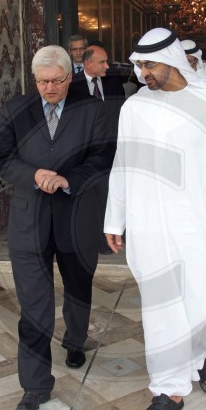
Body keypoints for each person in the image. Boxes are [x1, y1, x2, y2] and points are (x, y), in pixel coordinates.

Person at [104, 28, 206, 410]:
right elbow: (123, 164)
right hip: (150, 225)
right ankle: (168, 388)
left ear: (171, 60)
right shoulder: (134, 108)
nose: (142, 73)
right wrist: (114, 218)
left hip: (199, 224)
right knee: (162, 310)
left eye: (149, 64)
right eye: (138, 65)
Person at [0, 45, 114, 410]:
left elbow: (103, 157)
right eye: (43, 81)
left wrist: (66, 179)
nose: (49, 88)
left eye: (57, 81)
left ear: (69, 76)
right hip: (29, 224)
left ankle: (75, 341)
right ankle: (35, 384)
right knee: (33, 306)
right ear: (35, 79)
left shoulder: (91, 110)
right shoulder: (16, 109)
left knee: (78, 288)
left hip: (76, 217)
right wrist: (33, 175)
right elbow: (1, 158)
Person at [71, 44, 125, 254]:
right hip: (85, 154)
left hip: (113, 150)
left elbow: (121, 113)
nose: (107, 65)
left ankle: (112, 237)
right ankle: (91, 239)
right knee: (89, 197)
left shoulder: (113, 82)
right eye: (102, 62)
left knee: (112, 193)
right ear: (88, 64)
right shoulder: (72, 85)